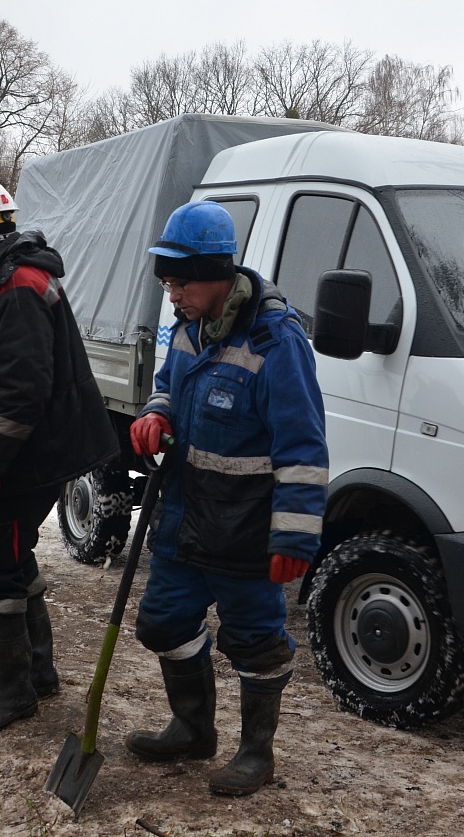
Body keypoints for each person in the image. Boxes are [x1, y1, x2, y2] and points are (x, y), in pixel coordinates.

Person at [123, 199, 328, 797]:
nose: (171, 294)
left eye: (179, 282)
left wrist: (295, 536)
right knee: (162, 623)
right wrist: (156, 414)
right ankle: (193, 728)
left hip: (246, 531)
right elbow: (169, 385)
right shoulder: (190, 328)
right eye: (166, 282)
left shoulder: (277, 342)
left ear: (215, 274)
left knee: (256, 645)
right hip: (185, 519)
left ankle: (255, 753)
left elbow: (303, 448)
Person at [0, 177, 117, 736]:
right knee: (10, 554)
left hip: (21, 457)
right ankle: (36, 673)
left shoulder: (15, 284)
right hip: (31, 452)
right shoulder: (11, 277)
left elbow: (21, 388)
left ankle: (17, 691)